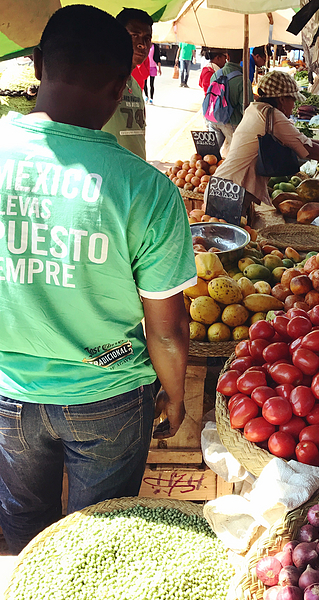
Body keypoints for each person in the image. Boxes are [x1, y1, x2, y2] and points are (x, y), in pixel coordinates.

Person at [0, 5, 196, 553]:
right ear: (123, 85)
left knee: (24, 526)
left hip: (8, 391)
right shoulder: (150, 191)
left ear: (37, 65)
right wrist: (176, 397)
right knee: (101, 542)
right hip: (107, 394)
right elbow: (165, 331)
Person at [214, 70, 319, 208]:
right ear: (282, 99)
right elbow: (307, 149)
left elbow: (299, 140)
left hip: (222, 184)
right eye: (292, 100)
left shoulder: (256, 109)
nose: (293, 106)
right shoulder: (272, 115)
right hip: (233, 190)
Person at [102, 8, 152, 159]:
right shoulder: (100, 80)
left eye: (147, 38)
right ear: (116, 37)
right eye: (134, 36)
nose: (142, 45)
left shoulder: (135, 86)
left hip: (135, 176)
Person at [208, 48, 252, 155]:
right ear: (242, 58)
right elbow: (247, 110)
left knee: (210, 157)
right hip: (232, 123)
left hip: (213, 119)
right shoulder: (243, 80)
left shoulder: (215, 75)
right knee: (235, 156)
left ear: (227, 56)